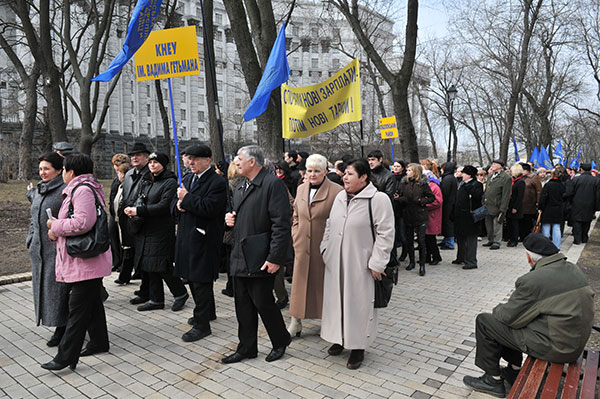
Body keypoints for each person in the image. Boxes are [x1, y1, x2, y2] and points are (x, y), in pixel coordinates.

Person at [463, 233, 594, 398]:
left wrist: (498, 309)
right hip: (573, 343)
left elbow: (508, 316)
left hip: (557, 348)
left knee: (485, 321)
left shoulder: (534, 279)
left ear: (529, 257)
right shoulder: (572, 269)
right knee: (521, 320)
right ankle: (514, 370)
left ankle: (493, 380)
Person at [320, 158, 394, 369]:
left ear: (363, 177)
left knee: (358, 306)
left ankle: (358, 347)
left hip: (361, 264)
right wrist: (325, 248)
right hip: (335, 261)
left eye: (350, 174)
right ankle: (338, 338)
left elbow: (386, 233)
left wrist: (377, 262)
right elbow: (329, 224)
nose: (345, 177)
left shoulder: (378, 199)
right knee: (336, 302)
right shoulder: (340, 197)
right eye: (345, 174)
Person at [222, 145, 292, 364]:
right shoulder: (242, 186)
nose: (236, 162)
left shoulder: (273, 185)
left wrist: (274, 258)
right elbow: (241, 218)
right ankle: (247, 347)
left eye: (239, 158)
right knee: (242, 305)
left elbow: (281, 225)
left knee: (263, 303)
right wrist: (229, 221)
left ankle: (280, 340)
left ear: (253, 161)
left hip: (260, 256)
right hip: (240, 255)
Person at [42, 153, 111, 371]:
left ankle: (65, 357)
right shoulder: (82, 188)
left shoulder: (81, 190)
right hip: (85, 261)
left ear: (71, 172)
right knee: (92, 305)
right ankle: (100, 342)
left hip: (86, 262)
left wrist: (55, 226)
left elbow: (83, 222)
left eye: (63, 170)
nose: (62, 173)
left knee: (77, 310)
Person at [173, 145, 227, 341]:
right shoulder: (187, 179)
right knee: (192, 278)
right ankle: (207, 312)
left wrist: (186, 199)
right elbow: (177, 203)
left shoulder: (217, 182)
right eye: (189, 158)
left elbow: (210, 208)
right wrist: (178, 205)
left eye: (196, 159)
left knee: (200, 280)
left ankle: (202, 324)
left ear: (207, 160)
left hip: (204, 238)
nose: (191, 162)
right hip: (187, 236)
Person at [124, 152, 189, 312]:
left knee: (162, 266)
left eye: (156, 162)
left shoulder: (170, 182)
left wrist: (139, 210)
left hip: (160, 230)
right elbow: (140, 197)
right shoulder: (147, 180)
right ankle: (155, 299)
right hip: (146, 229)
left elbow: (164, 206)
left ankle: (180, 293)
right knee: (149, 265)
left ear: (163, 164)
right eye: (151, 162)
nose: (152, 165)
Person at [287, 154, 343, 338]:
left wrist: (332, 243)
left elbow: (340, 220)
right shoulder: (301, 188)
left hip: (325, 246)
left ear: (325, 172)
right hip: (302, 245)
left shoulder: (336, 191)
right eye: (309, 170)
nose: (312, 174)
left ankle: (328, 321)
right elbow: (296, 214)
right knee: (299, 284)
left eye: (317, 171)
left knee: (324, 285)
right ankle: (296, 321)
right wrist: (296, 234)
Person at [26, 152, 69, 347]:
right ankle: (57, 324)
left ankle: (63, 328)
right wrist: (30, 239)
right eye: (41, 168)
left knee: (59, 291)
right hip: (38, 251)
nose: (42, 172)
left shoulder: (64, 190)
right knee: (46, 290)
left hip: (57, 250)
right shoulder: (41, 190)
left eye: (47, 169)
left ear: (59, 170)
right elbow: (33, 218)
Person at [120, 143, 152, 300]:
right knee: (135, 254)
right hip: (129, 220)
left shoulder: (150, 174)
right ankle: (145, 289)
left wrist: (137, 213)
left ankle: (147, 290)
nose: (134, 157)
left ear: (147, 157)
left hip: (143, 220)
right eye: (132, 155)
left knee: (144, 258)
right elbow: (125, 196)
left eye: (138, 154)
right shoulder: (129, 174)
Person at [397, 163, 435, 276]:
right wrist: (398, 199)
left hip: (420, 215)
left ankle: (422, 265)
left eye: (409, 170)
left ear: (415, 172)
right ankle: (412, 261)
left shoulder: (422, 184)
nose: (407, 172)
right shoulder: (404, 183)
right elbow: (404, 197)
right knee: (409, 240)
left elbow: (432, 197)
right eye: (407, 170)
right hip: (408, 215)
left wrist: (421, 201)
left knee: (421, 241)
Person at [453, 166, 484, 270]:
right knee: (460, 237)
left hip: (470, 216)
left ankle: (471, 261)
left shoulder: (477, 184)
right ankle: (461, 257)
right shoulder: (462, 184)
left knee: (470, 239)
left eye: (464, 173)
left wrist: (468, 187)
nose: (462, 175)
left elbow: (477, 196)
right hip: (460, 216)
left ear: (469, 175)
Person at [482, 159, 512, 250]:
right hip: (488, 204)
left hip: (497, 205)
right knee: (489, 225)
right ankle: (490, 239)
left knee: (497, 224)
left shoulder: (506, 178)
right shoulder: (491, 176)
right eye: (493, 164)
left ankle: (497, 242)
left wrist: (503, 208)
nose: (493, 165)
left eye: (495, 164)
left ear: (500, 166)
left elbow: (506, 195)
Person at [109, 154, 130, 273]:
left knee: (123, 238)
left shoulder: (126, 177)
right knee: (113, 235)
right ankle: (116, 261)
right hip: (113, 211)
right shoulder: (116, 178)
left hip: (122, 212)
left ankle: (122, 263)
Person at [569, 163, 600, 245]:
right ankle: (584, 238)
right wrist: (597, 207)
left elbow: (571, 192)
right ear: (590, 170)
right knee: (587, 221)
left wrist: (570, 202)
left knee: (577, 222)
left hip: (577, 203)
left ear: (581, 170)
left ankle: (577, 239)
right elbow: (598, 195)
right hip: (590, 204)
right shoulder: (596, 180)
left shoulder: (576, 179)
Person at [538, 169, 566, 249]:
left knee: (546, 227)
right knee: (556, 227)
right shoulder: (562, 185)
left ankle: (545, 246)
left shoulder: (548, 185)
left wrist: (540, 207)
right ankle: (557, 246)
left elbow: (543, 197)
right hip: (558, 209)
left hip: (548, 209)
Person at [424, 170, 443, 265]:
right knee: (426, 238)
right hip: (427, 215)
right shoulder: (428, 186)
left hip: (432, 216)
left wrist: (425, 204)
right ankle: (427, 256)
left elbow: (438, 202)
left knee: (431, 238)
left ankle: (436, 256)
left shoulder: (434, 187)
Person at [519, 163, 542, 241]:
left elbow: (539, 191)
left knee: (528, 222)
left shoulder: (534, 178)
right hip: (522, 204)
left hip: (530, 204)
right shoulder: (522, 178)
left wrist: (538, 202)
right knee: (522, 221)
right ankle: (522, 236)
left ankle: (528, 237)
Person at [506, 163, 526, 247]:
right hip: (510, 204)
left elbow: (520, 196)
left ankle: (514, 240)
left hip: (516, 205)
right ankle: (510, 238)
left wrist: (515, 207)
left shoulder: (521, 182)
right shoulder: (514, 180)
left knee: (514, 224)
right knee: (509, 223)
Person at [439, 162, 457, 250]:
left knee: (448, 223)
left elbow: (444, 192)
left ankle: (449, 242)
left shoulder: (447, 179)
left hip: (448, 204)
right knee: (447, 223)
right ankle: (447, 240)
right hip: (450, 203)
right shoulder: (451, 177)